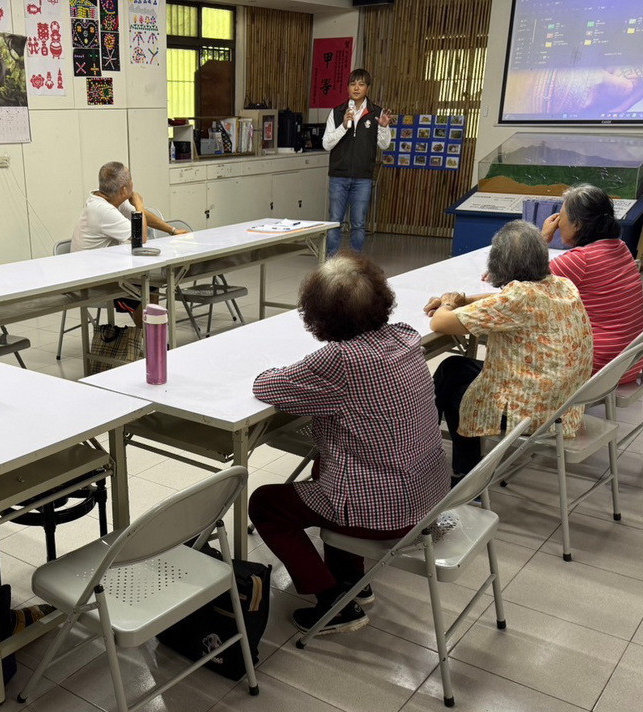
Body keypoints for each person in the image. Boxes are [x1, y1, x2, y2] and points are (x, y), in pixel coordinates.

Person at [248, 253, 450, 635]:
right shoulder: (405, 336)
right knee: (328, 468)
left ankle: (333, 605)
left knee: (266, 504)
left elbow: (267, 386)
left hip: (387, 510)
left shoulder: (339, 359)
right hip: (428, 492)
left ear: (318, 317)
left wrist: (280, 370)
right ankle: (354, 581)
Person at [427, 220, 593, 478]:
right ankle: (427, 444)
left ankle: (464, 476)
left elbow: (440, 322)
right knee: (452, 367)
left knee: (459, 394)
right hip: (561, 401)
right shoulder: (561, 284)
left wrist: (447, 303)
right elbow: (502, 300)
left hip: (534, 411)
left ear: (499, 264)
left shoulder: (519, 300)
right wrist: (464, 300)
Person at [541, 183, 643, 384]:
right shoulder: (620, 247)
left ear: (577, 224)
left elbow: (523, 279)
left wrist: (543, 236)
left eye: (561, 217)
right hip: (631, 361)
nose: (557, 223)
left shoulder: (580, 260)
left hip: (600, 368)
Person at [71, 161, 189, 325]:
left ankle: (150, 335)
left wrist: (172, 230)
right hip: (92, 279)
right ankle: (150, 335)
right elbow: (140, 236)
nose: (134, 184)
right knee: (143, 288)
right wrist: (139, 204)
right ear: (124, 190)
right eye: (131, 181)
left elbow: (142, 215)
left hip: (106, 268)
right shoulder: (102, 210)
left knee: (150, 284)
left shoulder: (111, 200)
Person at [322, 69, 393, 255]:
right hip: (339, 175)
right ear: (347, 88)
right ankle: (331, 264)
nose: (356, 88)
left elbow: (384, 145)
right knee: (335, 221)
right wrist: (344, 125)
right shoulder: (337, 112)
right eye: (353, 84)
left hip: (363, 177)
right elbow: (326, 144)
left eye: (361, 84)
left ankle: (356, 265)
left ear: (368, 88)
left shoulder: (377, 112)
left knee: (359, 224)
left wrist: (384, 128)